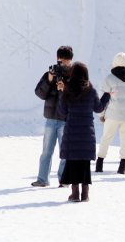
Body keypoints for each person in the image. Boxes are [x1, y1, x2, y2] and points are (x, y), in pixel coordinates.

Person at [57, 62, 109, 202]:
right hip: (86, 132)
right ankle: (85, 194)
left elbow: (62, 112)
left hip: (72, 131)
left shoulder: (68, 90)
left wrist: (61, 93)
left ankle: (75, 194)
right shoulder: (91, 91)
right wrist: (107, 96)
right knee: (85, 163)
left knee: (73, 162)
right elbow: (99, 108)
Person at [31, 45, 73, 187]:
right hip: (50, 118)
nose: (63, 62)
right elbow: (39, 93)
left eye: (65, 60)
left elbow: (77, 96)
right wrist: (49, 80)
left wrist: (65, 87)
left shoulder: (74, 75)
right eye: (60, 59)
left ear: (70, 60)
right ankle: (42, 179)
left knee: (65, 152)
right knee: (46, 152)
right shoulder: (51, 73)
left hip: (65, 119)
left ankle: (64, 180)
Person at [96, 52, 125, 175]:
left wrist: (101, 114)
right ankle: (122, 166)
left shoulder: (109, 78)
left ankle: (99, 164)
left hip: (112, 115)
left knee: (106, 138)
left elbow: (103, 98)